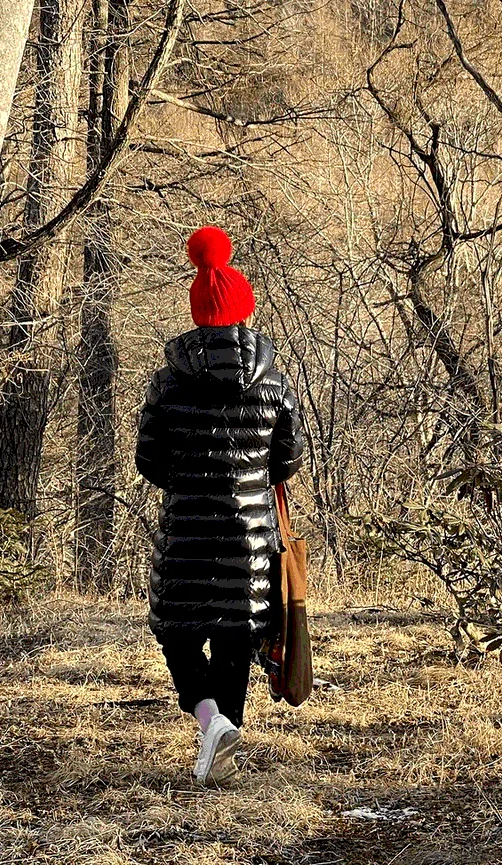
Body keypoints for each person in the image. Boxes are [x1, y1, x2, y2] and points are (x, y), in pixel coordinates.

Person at [135, 226, 305, 785]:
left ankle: (210, 723)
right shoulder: (274, 383)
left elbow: (149, 462)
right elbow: (288, 461)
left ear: (196, 316)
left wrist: (187, 481)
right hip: (250, 541)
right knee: (236, 641)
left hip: (185, 535)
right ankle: (222, 734)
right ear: (244, 312)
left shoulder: (167, 384)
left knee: (178, 636)